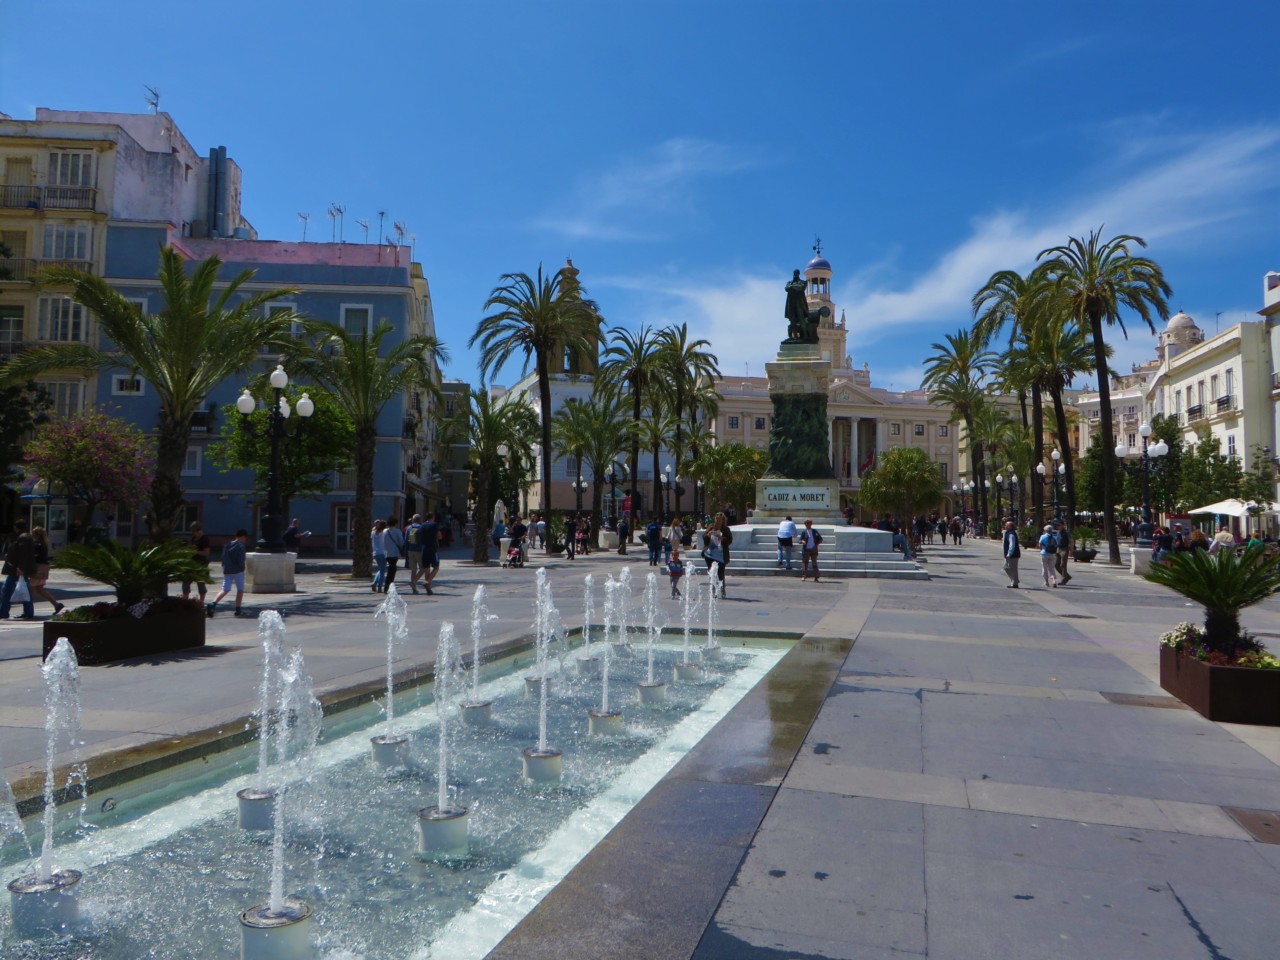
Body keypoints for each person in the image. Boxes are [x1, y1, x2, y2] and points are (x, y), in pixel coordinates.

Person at [0, 520, 36, 621]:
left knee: (7, 590)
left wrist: (21, 568)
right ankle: (28, 612)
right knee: (24, 590)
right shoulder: (26, 537)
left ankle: (3, 612)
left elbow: (23, 555)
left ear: (17, 528)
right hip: (18, 569)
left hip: (16, 569)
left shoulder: (23, 538)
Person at [208, 529, 249, 617]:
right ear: (242, 537)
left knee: (225, 589)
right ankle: (238, 609)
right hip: (238, 571)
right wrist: (242, 568)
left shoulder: (227, 545)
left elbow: (223, 557)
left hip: (227, 570)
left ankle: (213, 604)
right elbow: (240, 560)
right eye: (245, 538)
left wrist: (225, 566)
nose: (245, 540)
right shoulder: (241, 547)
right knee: (240, 589)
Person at [28, 525, 63, 616]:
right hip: (44, 568)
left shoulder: (37, 545)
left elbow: (35, 558)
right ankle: (56, 604)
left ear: (36, 535)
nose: (32, 535)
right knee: (39, 589)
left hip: (39, 568)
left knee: (29, 589)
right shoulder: (44, 544)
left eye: (33, 534)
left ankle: (28, 610)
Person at [181, 521, 211, 602]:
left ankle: (201, 602)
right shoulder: (194, 538)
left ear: (198, 530)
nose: (193, 533)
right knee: (186, 580)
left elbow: (206, 553)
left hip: (201, 564)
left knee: (200, 583)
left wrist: (195, 552)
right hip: (191, 563)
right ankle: (185, 598)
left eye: (194, 531)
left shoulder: (205, 539)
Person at [416, 512, 441, 594]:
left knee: (426, 569)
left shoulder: (422, 525)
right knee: (436, 567)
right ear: (433, 517)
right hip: (433, 548)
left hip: (423, 548)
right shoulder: (434, 525)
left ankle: (428, 589)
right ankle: (427, 581)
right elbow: (439, 536)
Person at [382, 515, 405, 592]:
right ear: (395, 523)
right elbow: (401, 542)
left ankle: (387, 585)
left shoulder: (384, 531)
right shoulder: (397, 531)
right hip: (394, 553)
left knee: (390, 568)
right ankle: (389, 585)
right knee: (392, 569)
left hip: (386, 552)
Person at [404, 514, 425, 594]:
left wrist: (405, 552)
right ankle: (414, 582)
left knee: (413, 570)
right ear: (420, 520)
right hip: (419, 550)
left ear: (413, 520)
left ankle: (414, 589)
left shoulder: (409, 528)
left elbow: (406, 540)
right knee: (423, 568)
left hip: (410, 550)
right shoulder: (421, 527)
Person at [1037, 523, 1058, 588]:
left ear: (1045, 530)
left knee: (1044, 568)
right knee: (1052, 568)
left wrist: (1041, 550)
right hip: (1052, 553)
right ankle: (1054, 580)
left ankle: (1046, 582)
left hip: (1044, 553)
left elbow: (1040, 545)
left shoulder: (1043, 536)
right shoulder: (1055, 536)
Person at [1002, 519, 1021, 588]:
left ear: (1010, 526)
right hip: (1010, 554)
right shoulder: (1008, 533)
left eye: (1007, 525)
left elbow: (1012, 544)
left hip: (1013, 554)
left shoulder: (1011, 534)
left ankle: (1015, 583)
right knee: (1006, 567)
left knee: (1013, 568)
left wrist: (1009, 553)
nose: (1005, 526)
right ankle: (1014, 580)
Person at [371, 519, 388, 591]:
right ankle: (379, 587)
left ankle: (375, 583)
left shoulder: (373, 532)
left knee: (381, 569)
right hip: (383, 553)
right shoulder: (384, 533)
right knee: (382, 571)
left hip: (375, 553)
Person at [1053, 520, 1072, 585]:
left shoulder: (1066, 533)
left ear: (1063, 525)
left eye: (1059, 525)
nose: (1058, 526)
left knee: (1063, 565)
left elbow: (1071, 541)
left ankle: (1064, 579)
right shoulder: (1058, 532)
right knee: (1056, 564)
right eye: (1057, 525)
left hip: (1064, 549)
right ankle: (1067, 576)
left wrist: (1071, 550)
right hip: (1058, 549)